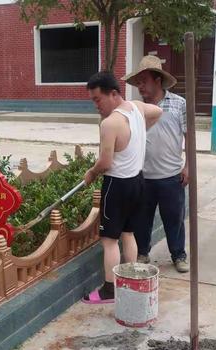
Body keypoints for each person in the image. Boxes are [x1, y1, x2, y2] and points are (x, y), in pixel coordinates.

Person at [82, 71, 162, 304]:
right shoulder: (136, 107)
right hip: (138, 182)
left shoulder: (110, 123)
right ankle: (131, 278)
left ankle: (109, 290)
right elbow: (158, 111)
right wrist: (142, 129)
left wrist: (91, 173)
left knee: (109, 240)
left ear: (114, 93)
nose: (96, 105)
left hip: (117, 185)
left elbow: (105, 163)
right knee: (128, 234)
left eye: (98, 99)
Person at [122, 55, 189, 273]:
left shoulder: (179, 104)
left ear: (158, 80)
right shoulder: (135, 108)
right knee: (142, 219)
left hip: (172, 176)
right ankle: (142, 253)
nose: (140, 86)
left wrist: (188, 167)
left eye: (144, 81)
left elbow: (190, 136)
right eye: (138, 82)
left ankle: (178, 255)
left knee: (175, 219)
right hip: (143, 176)